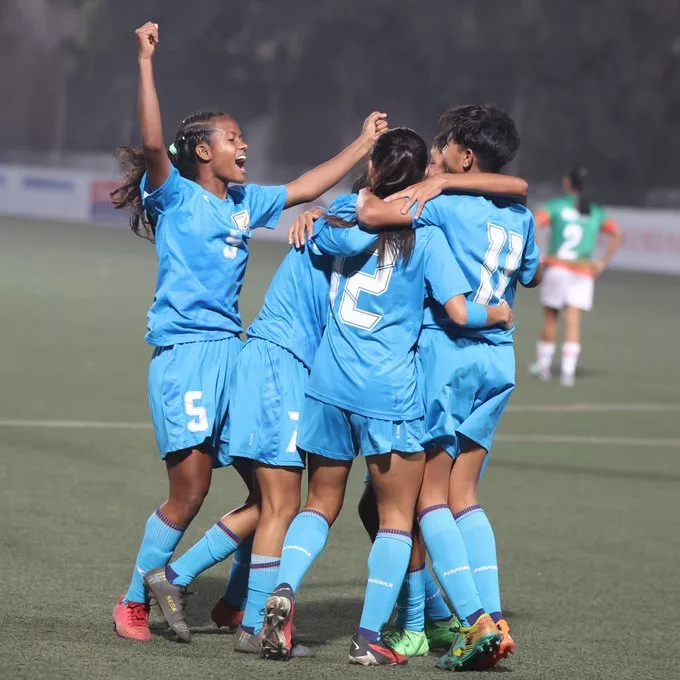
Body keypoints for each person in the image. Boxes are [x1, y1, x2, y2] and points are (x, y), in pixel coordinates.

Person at [110, 21, 388, 642]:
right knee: (190, 490)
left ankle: (237, 602)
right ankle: (135, 599)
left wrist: (363, 145)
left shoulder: (244, 201)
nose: (243, 145)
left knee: (269, 488)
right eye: (231, 138)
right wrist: (145, 61)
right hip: (184, 355)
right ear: (203, 150)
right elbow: (154, 141)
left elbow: (309, 187)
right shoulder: (176, 195)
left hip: (232, 355)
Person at [259, 128, 513, 666]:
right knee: (398, 518)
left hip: (327, 382)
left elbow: (334, 233)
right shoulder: (430, 234)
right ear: (422, 175)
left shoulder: (344, 214)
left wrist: (322, 212)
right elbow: (460, 312)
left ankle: (282, 592)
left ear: (373, 170)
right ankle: (369, 637)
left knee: (319, 505)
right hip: (388, 391)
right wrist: (499, 314)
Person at [357, 105, 541, 670]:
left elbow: (375, 216)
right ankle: (492, 613)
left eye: (443, 144)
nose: (435, 153)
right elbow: (529, 273)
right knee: (465, 496)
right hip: (498, 363)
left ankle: (471, 622)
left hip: (446, 356)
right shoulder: (520, 215)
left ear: (463, 155)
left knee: (428, 497)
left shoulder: (440, 205)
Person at [530, 167, 622, 386]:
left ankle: (543, 369)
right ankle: (568, 374)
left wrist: (540, 252)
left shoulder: (555, 206)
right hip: (582, 272)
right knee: (573, 322)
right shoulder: (594, 211)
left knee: (551, 318)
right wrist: (602, 262)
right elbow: (617, 233)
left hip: (558, 268)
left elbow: (534, 222)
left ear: (567, 183)